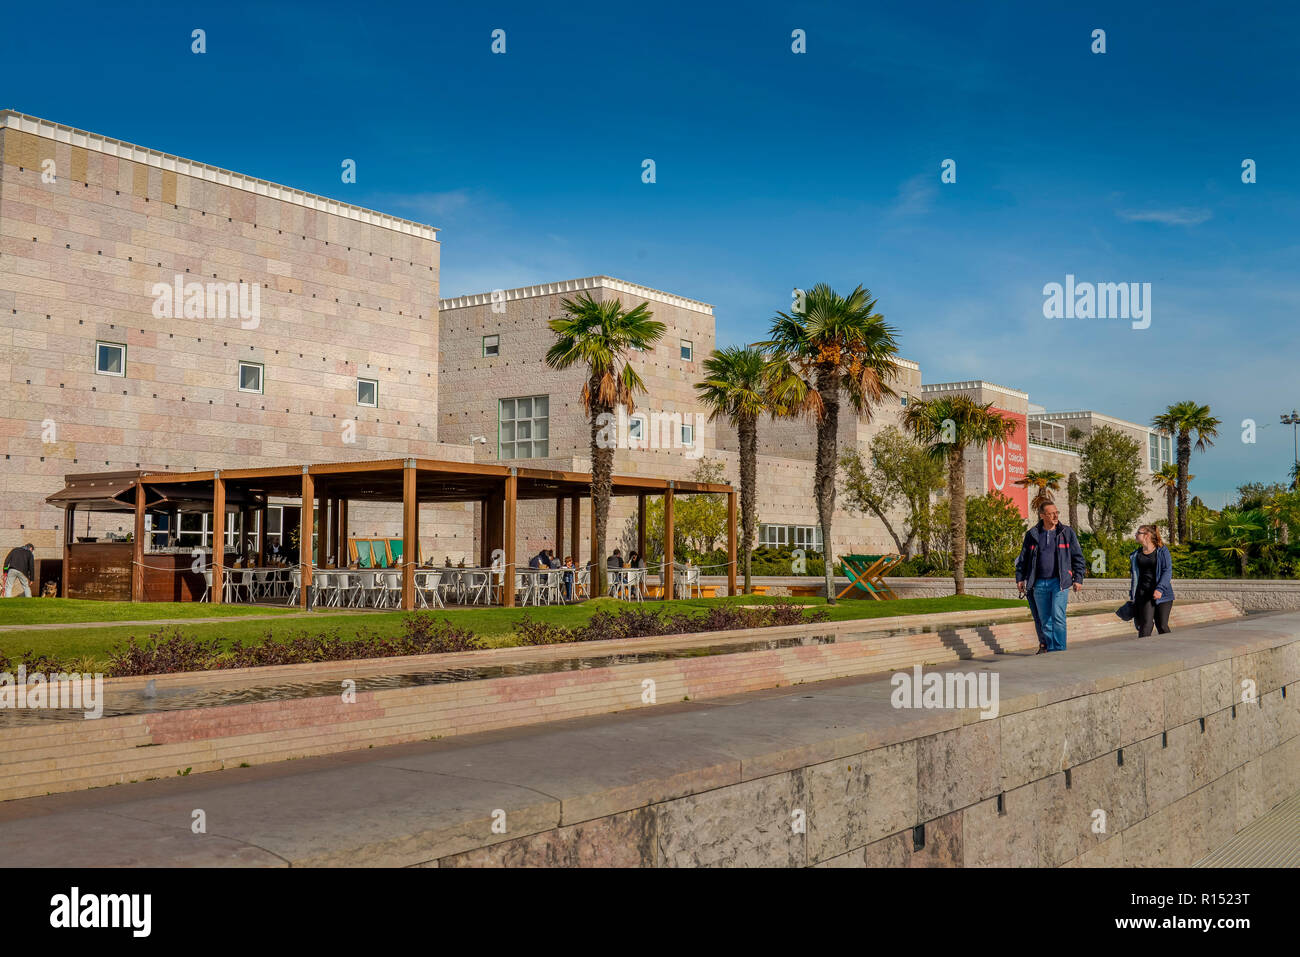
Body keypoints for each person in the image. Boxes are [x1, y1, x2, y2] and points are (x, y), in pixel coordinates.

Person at [1014, 502, 1085, 653]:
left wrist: (1078, 578)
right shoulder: (1032, 534)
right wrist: (1020, 578)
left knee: (1058, 616)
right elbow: (1023, 559)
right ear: (1042, 516)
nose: (1055, 516)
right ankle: (1051, 650)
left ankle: (1059, 649)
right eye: (1051, 513)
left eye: (1056, 512)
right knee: (1045, 619)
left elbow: (1078, 557)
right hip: (1039, 583)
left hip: (1059, 582)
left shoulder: (1066, 532)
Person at [1130, 524, 1174, 637]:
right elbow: (1135, 577)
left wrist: (1159, 589)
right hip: (1144, 594)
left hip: (1162, 594)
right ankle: (1143, 652)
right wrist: (1133, 595)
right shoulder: (1136, 555)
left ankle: (1170, 650)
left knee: (1162, 625)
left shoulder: (1162, 551)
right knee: (1145, 625)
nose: (1136, 534)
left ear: (1147, 535)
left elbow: (1167, 571)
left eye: (1138, 533)